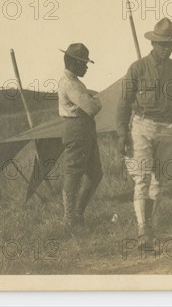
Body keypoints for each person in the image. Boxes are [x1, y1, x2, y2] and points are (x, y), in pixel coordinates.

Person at [116, 17, 172, 247]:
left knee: (160, 180)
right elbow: (123, 102)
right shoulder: (138, 68)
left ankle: (150, 226)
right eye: (162, 44)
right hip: (142, 125)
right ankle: (143, 230)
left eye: (170, 44)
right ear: (153, 43)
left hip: (168, 128)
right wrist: (122, 133)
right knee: (141, 177)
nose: (166, 48)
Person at [57, 43, 103, 229]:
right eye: (83, 63)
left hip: (83, 128)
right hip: (76, 128)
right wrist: (97, 101)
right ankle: (70, 219)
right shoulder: (70, 84)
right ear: (74, 63)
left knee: (95, 173)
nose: (86, 67)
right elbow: (92, 107)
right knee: (74, 172)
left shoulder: (74, 82)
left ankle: (77, 213)